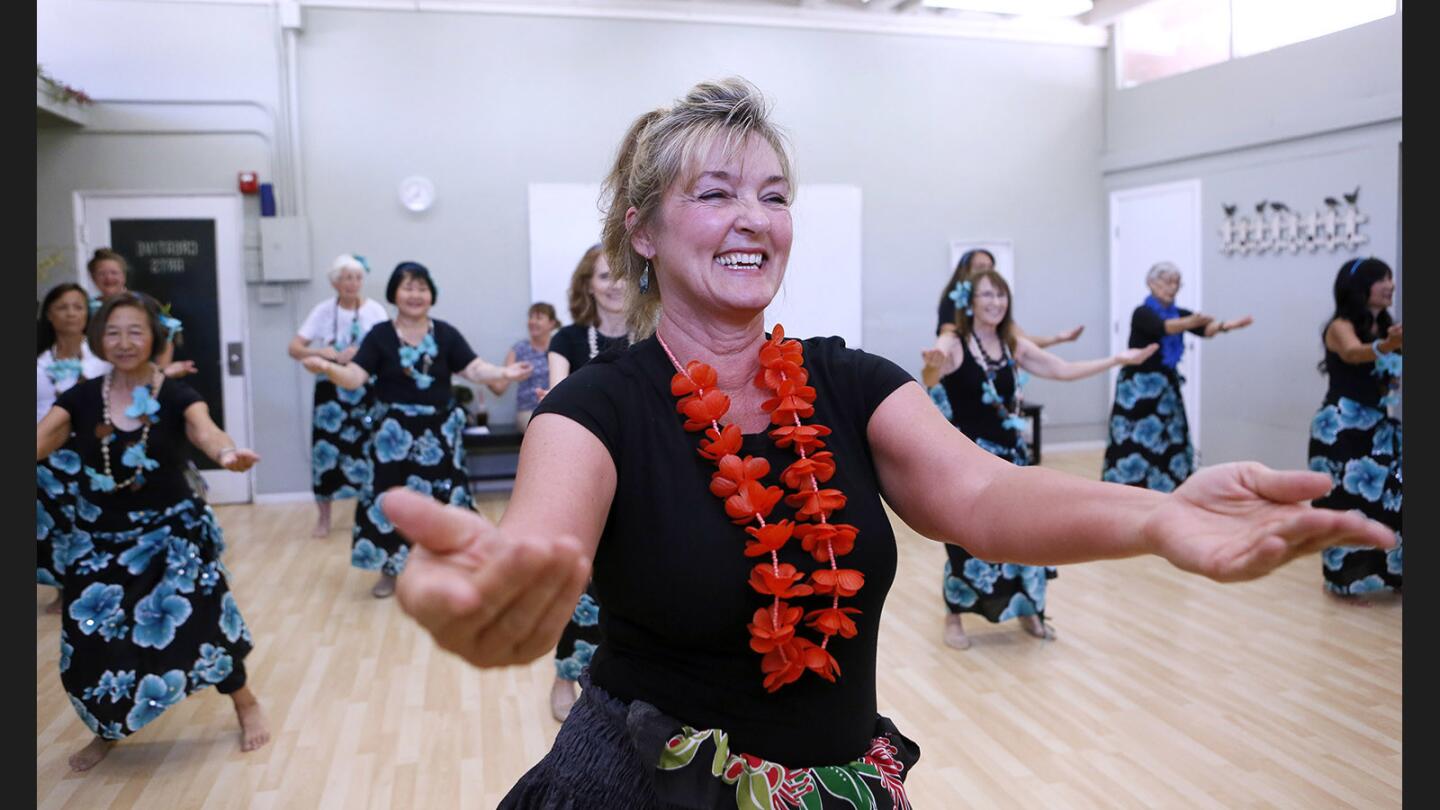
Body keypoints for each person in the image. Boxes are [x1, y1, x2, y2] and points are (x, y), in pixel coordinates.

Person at [381, 78, 1391, 808]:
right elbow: (539, 539)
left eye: (774, 194)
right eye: (716, 192)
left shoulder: (848, 380)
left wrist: (1161, 517)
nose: (754, 218)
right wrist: (498, 583)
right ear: (642, 231)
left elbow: (986, 497)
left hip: (839, 785)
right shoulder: (599, 407)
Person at [35, 291, 269, 772]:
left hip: (173, 537)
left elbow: (206, 432)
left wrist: (227, 454)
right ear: (99, 338)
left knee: (205, 625)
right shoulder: (80, 398)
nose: (124, 342)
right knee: (89, 639)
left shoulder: (176, 394)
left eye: (135, 331)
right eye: (113, 332)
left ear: (154, 338)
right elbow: (38, 442)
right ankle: (107, 728)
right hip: (100, 541)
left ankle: (245, 702)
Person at [922, 270, 1157, 648]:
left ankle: (1030, 607)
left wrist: (1117, 359)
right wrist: (933, 363)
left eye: (1001, 296)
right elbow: (932, 376)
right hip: (968, 460)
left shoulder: (1013, 343)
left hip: (1012, 458)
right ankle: (954, 617)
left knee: (1025, 534)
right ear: (970, 301)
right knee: (966, 542)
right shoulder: (954, 341)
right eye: (987, 295)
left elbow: (1060, 369)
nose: (996, 302)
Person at [303, 261, 531, 598]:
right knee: (389, 502)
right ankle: (390, 571)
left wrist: (505, 374)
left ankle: (454, 566)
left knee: (447, 500)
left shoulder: (445, 333)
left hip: (438, 435)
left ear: (431, 295)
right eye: (408, 287)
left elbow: (474, 368)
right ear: (395, 292)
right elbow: (354, 377)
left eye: (422, 288)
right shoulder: (379, 335)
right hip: (391, 436)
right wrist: (327, 367)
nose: (415, 294)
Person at [540, 246, 632, 723]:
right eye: (603, 275)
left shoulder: (657, 334)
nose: (614, 283)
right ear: (588, 284)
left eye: (620, 273)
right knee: (581, 579)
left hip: (642, 467)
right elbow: (559, 398)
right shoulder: (569, 339)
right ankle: (565, 672)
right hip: (587, 469)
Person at [1102, 261, 1253, 491]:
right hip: (1137, 389)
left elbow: (1205, 329)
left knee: (1169, 437)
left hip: (1165, 387)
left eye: (1177, 282)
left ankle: (1168, 487)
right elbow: (1165, 327)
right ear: (1151, 283)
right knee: (1133, 440)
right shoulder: (1142, 312)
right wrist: (1191, 322)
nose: (1173, 287)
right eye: (1167, 281)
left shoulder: (1179, 314)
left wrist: (1227, 326)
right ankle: (1126, 489)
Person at [1309, 256, 1402, 598]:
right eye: (1382, 279)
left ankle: (1393, 577)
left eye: (1391, 278)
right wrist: (1388, 346)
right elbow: (1352, 353)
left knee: (1393, 497)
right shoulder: (1340, 325)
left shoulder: (1389, 326)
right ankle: (1345, 582)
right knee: (1346, 503)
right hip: (1341, 427)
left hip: (1379, 426)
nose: (1390, 285)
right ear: (1360, 288)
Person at [287, 254, 389, 537]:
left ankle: (372, 514)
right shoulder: (322, 311)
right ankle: (323, 518)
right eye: (346, 278)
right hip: (330, 392)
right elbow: (295, 348)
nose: (353, 284)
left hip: (366, 388)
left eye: (357, 278)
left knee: (369, 450)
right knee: (326, 451)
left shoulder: (375, 311)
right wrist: (322, 352)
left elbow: (390, 347)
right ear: (335, 282)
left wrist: (364, 354)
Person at [37, 283, 111, 614]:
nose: (70, 314)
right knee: (53, 522)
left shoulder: (102, 360)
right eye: (62, 307)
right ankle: (61, 589)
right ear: (49, 315)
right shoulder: (38, 362)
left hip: (91, 451)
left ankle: (95, 587)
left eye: (78, 307)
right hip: (46, 454)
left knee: (87, 518)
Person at [936, 248, 1085, 348]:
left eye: (1000, 296)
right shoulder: (952, 303)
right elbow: (947, 340)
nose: (995, 303)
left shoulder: (998, 315)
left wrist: (1057, 338)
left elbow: (1022, 340)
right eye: (981, 267)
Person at [85, 249, 195, 378]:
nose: (108, 278)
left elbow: (166, 336)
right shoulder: (86, 308)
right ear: (92, 277)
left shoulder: (141, 303)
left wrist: (161, 374)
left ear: (124, 275)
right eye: (102, 273)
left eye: (114, 273)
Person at [486, 302, 557, 432]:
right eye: (531, 317)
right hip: (529, 411)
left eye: (539, 318)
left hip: (558, 409)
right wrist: (483, 375)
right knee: (542, 430)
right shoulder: (519, 349)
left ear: (552, 323)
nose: (532, 322)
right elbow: (500, 388)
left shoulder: (561, 347)